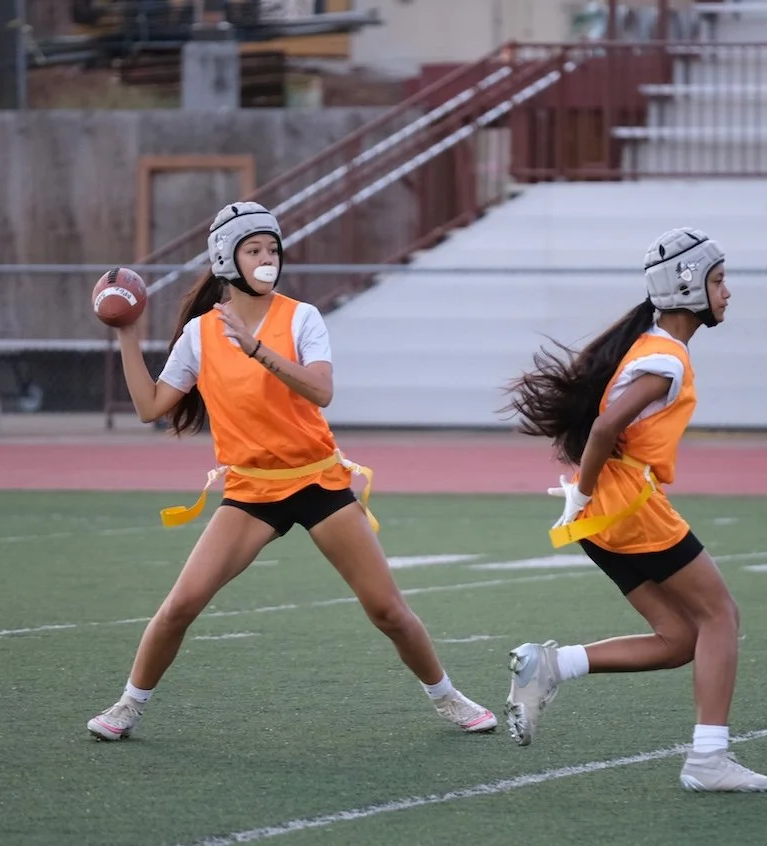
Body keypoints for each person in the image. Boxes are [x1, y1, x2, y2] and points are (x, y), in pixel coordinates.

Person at [86, 201, 497, 740]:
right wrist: (126, 334)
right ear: (226, 259)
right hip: (251, 490)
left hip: (317, 481)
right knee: (180, 605)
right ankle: (127, 706)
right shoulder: (200, 334)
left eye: (273, 249)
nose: (267, 259)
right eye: (254, 249)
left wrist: (256, 348)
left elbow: (321, 390)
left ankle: (448, 697)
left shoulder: (302, 317)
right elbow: (150, 407)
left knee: (388, 611)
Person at [500, 227, 767, 793]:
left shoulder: (649, 345)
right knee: (720, 616)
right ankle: (708, 760)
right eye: (719, 280)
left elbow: (606, 427)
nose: (727, 291)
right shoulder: (667, 357)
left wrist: (585, 498)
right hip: (627, 504)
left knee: (678, 639)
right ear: (688, 286)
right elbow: (605, 427)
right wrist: (584, 492)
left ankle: (553, 666)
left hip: (606, 513)